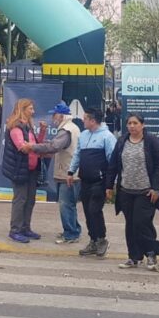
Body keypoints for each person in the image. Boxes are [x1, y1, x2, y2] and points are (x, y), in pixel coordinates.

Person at [108, 114, 159, 271]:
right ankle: (133, 257)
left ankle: (152, 253)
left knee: (141, 223)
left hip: (145, 192)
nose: (132, 126)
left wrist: (157, 189)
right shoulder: (122, 141)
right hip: (126, 191)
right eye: (129, 123)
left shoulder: (151, 142)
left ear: (142, 125)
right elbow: (113, 164)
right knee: (130, 225)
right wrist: (109, 186)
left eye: (135, 123)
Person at [25, 103, 82, 244]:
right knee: (70, 204)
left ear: (61, 116)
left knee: (65, 204)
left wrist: (33, 147)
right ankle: (74, 230)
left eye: (54, 115)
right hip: (70, 172)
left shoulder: (66, 130)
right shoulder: (71, 128)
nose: (52, 118)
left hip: (67, 174)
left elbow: (54, 146)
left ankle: (70, 234)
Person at [68, 107, 117, 257]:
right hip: (85, 180)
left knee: (95, 210)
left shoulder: (107, 137)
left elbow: (113, 161)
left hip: (99, 181)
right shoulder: (83, 135)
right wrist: (71, 172)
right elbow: (77, 155)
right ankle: (93, 240)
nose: (83, 121)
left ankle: (102, 239)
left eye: (85, 119)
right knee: (88, 211)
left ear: (92, 120)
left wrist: (111, 183)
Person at [2, 98, 47, 243]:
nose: (33, 112)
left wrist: (43, 131)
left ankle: (25, 228)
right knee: (20, 200)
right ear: (23, 109)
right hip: (20, 169)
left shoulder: (28, 126)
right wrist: (34, 147)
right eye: (30, 109)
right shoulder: (16, 127)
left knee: (30, 199)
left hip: (31, 169)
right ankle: (15, 230)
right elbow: (22, 146)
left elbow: (36, 144)